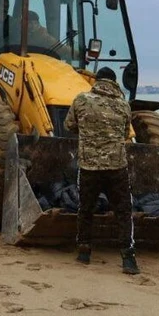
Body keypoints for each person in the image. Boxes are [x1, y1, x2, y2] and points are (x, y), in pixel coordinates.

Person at [63, 66, 139, 275]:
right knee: (123, 211)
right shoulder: (124, 105)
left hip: (89, 166)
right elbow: (125, 133)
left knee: (85, 209)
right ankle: (128, 258)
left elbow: (69, 125)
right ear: (115, 82)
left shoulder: (81, 100)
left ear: (96, 81)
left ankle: (84, 252)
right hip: (117, 167)